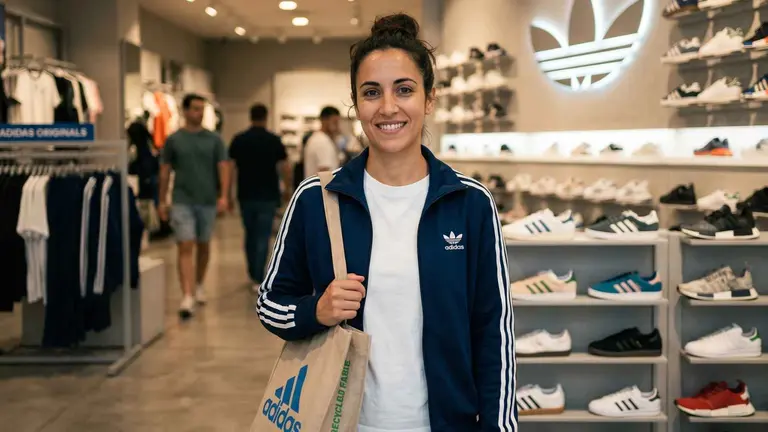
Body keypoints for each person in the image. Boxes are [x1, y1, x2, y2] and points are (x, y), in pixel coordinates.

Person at [256, 13, 516, 432]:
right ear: (356, 105)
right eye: (372, 92)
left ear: (429, 99)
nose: (388, 107)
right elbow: (269, 304)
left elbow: (494, 331)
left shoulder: (470, 204)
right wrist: (315, 310)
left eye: (405, 89)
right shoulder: (316, 200)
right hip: (342, 422)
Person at [158, 94, 230, 319]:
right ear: (185, 111)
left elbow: (223, 167)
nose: (199, 113)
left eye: (202, 109)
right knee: (185, 245)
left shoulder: (214, 139)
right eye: (196, 109)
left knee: (204, 245)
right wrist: (162, 200)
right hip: (182, 200)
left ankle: (198, 283)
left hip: (207, 200)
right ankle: (187, 294)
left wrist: (224, 196)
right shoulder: (174, 139)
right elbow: (165, 171)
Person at [228, 103, 290, 292]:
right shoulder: (273, 140)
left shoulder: (239, 140)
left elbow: (231, 168)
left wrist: (229, 193)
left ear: (250, 116)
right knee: (263, 236)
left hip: (246, 195)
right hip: (268, 195)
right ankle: (259, 276)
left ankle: (252, 272)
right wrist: (287, 188)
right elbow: (285, 166)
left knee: (250, 234)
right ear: (266, 116)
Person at [303, 106, 341, 179]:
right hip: (322, 189)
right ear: (324, 120)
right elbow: (324, 172)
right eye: (335, 122)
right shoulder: (322, 141)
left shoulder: (318, 138)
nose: (337, 126)